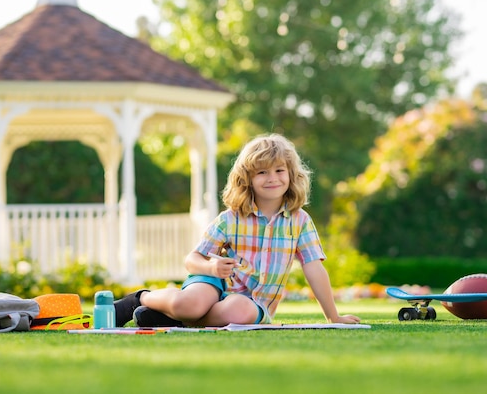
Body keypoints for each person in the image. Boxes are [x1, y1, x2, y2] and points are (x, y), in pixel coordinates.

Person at [114, 133, 361, 327]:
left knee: (239, 311)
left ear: (291, 174)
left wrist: (333, 316)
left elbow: (314, 268)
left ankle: (174, 320)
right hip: (213, 284)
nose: (272, 178)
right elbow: (192, 260)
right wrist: (211, 268)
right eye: (262, 172)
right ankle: (138, 300)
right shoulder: (230, 219)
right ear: (248, 178)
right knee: (190, 303)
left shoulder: (299, 221)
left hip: (252, 303)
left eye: (279, 170)